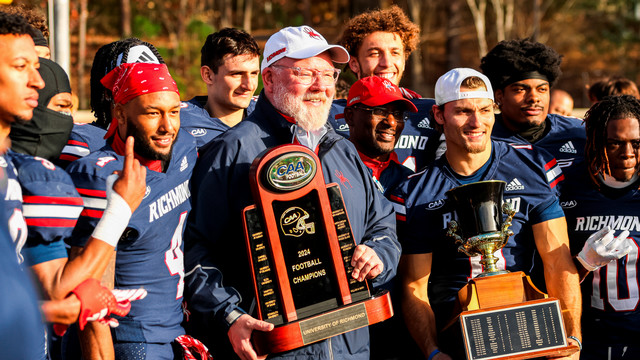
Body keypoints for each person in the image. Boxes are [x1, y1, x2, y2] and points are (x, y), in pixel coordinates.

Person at [184, 25, 400, 360]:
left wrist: (377, 255)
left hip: (350, 347)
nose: (321, 85)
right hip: (273, 348)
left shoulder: (342, 150)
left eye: (328, 73)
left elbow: (383, 225)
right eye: (305, 73)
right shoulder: (232, 152)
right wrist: (230, 315)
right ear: (268, 79)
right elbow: (194, 250)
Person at [391, 68, 582, 360]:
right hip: (459, 339)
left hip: (532, 330)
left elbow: (557, 261)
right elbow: (414, 286)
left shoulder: (532, 165)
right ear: (440, 116)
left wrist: (571, 337)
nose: (476, 122)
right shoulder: (416, 192)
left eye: (484, 109)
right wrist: (432, 351)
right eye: (464, 111)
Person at [0, 11, 148, 358]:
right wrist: (118, 211)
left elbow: (45, 289)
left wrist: (51, 310)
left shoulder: (15, 167)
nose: (37, 81)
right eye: (22, 66)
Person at [65, 62, 201, 359]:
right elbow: (92, 297)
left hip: (175, 329)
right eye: (152, 113)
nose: (167, 127)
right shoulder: (102, 177)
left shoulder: (184, 148)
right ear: (120, 113)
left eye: (174, 112)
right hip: (129, 339)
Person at [559, 95, 640, 359]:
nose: (627, 153)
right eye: (614, 143)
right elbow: (544, 269)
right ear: (595, 141)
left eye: (636, 143)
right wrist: (582, 263)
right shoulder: (567, 186)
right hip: (584, 338)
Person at [334, 5, 441, 171]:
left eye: (395, 53)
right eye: (375, 53)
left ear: (405, 60)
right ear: (354, 63)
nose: (387, 63)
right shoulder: (330, 116)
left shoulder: (431, 111)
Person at [481, 38, 586, 170]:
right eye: (521, 89)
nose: (534, 98)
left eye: (542, 89)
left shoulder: (579, 133)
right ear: (499, 96)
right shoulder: (481, 138)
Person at [58, 38, 164, 167]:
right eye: (133, 86)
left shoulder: (181, 140)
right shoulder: (83, 145)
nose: (147, 94)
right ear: (108, 93)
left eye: (155, 83)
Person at [180, 27, 260, 148]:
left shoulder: (267, 113)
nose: (249, 85)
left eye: (254, 73)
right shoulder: (177, 121)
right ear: (208, 75)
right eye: (237, 74)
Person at [345, 76, 416, 195]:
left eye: (398, 114)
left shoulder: (410, 182)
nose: (392, 122)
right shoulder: (330, 167)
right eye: (379, 111)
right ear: (350, 116)